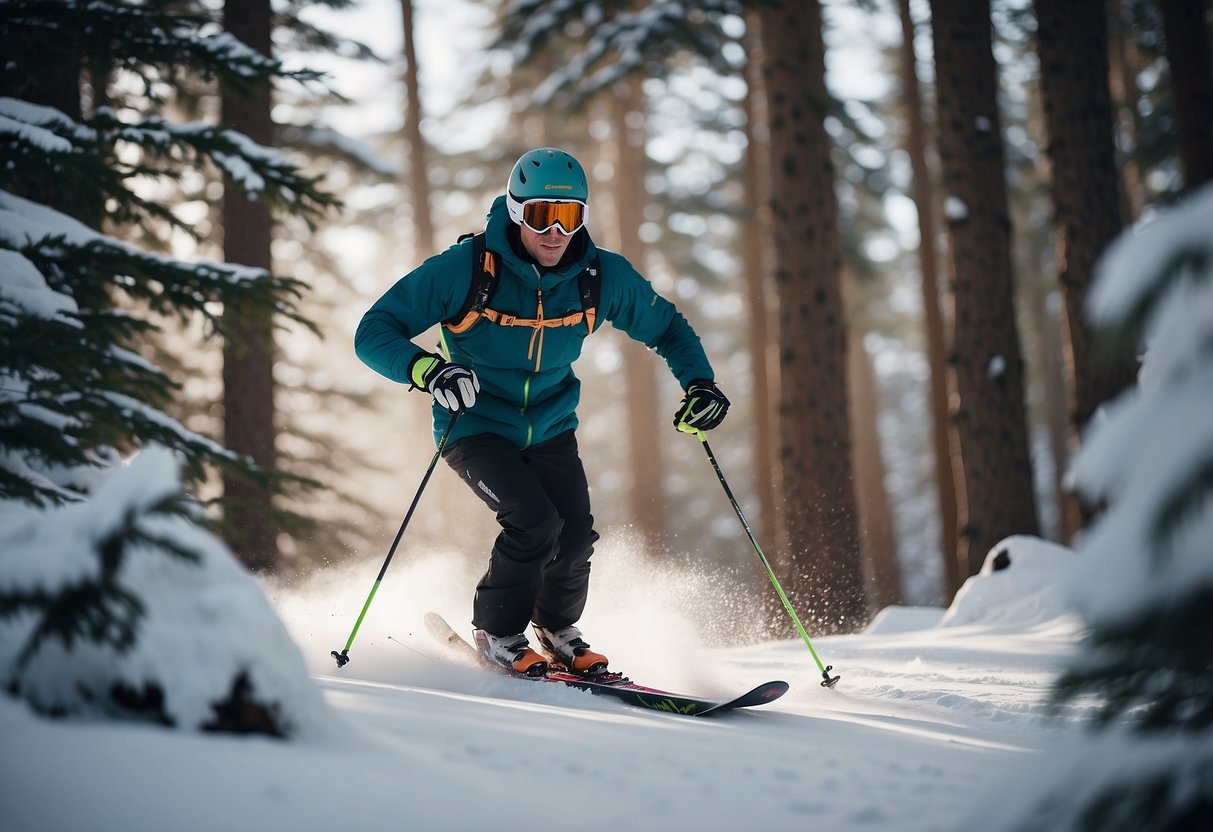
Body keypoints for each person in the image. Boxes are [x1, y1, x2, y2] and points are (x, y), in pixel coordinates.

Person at [354, 147, 729, 676]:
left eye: (569, 216)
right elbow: (373, 331)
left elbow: (667, 327)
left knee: (575, 535)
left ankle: (555, 630)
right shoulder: (466, 269)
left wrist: (700, 383)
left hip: (551, 426)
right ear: (514, 210)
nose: (555, 232)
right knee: (533, 523)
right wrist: (429, 370)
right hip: (476, 425)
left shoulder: (600, 276)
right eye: (540, 215)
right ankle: (499, 635)